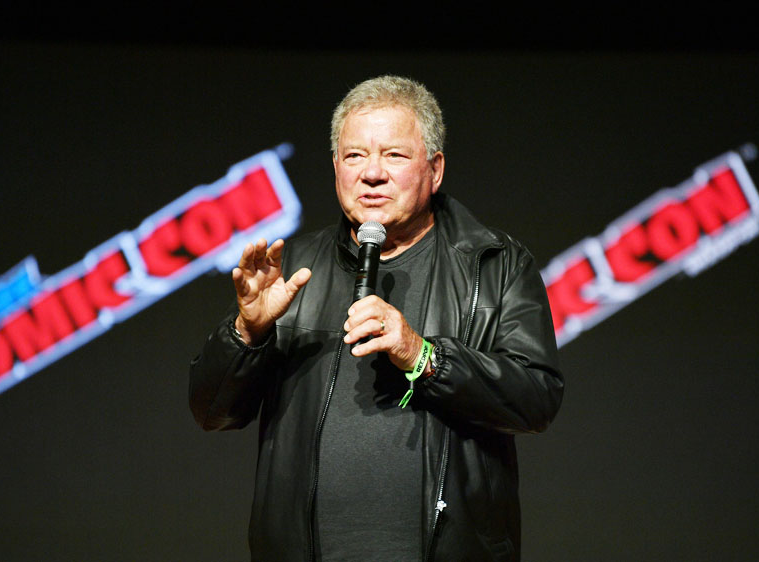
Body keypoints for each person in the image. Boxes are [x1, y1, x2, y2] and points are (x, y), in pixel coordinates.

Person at [189, 75, 564, 561]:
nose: (372, 173)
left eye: (394, 155)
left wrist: (423, 356)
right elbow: (212, 411)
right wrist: (248, 333)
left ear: (435, 169)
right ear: (335, 166)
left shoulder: (493, 264)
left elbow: (535, 398)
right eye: (354, 155)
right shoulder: (293, 270)